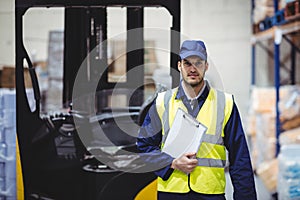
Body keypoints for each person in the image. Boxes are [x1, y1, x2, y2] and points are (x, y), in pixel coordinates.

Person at [137, 40, 257, 200]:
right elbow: (144, 147)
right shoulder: (162, 102)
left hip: (210, 194)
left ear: (206, 66)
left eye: (198, 63)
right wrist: (171, 163)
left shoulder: (225, 104)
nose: (193, 69)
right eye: (187, 63)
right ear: (179, 65)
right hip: (172, 193)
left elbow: (240, 159)